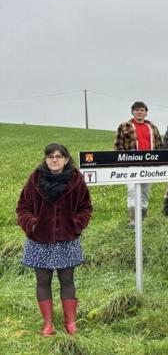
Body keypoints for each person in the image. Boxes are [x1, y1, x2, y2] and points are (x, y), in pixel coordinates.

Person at [16, 143, 93, 336]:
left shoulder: (76, 180)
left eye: (59, 156)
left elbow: (85, 208)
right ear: (46, 159)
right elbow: (23, 207)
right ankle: (48, 324)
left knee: (67, 280)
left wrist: (76, 224)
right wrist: (32, 224)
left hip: (67, 239)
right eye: (50, 156)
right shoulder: (35, 180)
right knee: (43, 281)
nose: (54, 159)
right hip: (39, 239)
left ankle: (70, 323)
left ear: (66, 159)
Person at [114, 101, 162, 228]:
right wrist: (122, 163)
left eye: (142, 110)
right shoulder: (125, 126)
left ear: (146, 112)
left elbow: (159, 146)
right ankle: (133, 220)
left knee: (145, 192)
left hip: (149, 163)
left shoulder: (152, 127)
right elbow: (118, 146)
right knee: (132, 190)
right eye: (136, 110)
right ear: (132, 112)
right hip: (132, 163)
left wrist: (158, 162)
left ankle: (143, 218)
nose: (139, 112)